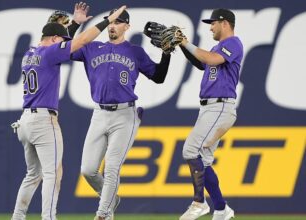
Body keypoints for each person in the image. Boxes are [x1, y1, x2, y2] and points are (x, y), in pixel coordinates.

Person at [10, 5, 127, 220]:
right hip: (43, 122)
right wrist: (106, 20)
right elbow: (80, 42)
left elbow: (60, 43)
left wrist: (73, 24)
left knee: (32, 175)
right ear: (54, 38)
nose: (64, 42)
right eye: (61, 38)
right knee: (53, 174)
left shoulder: (30, 54)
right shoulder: (49, 53)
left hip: (24, 120)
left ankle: (17, 217)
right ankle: (49, 218)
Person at [71, 9, 172, 220]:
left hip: (125, 115)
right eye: (110, 22)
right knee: (88, 170)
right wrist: (74, 23)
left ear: (127, 26)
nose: (112, 26)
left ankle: (103, 214)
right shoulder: (91, 48)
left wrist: (166, 53)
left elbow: (159, 77)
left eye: (118, 22)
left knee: (112, 167)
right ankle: (109, 198)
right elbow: (65, 48)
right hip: (99, 113)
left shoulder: (135, 52)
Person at [177, 8, 243, 220]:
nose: (211, 27)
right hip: (210, 108)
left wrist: (187, 43)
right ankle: (222, 209)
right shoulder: (218, 47)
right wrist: (182, 44)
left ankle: (199, 203)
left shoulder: (233, 43)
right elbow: (202, 62)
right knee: (203, 161)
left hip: (220, 106)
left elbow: (212, 60)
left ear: (225, 23)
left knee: (190, 150)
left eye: (213, 23)